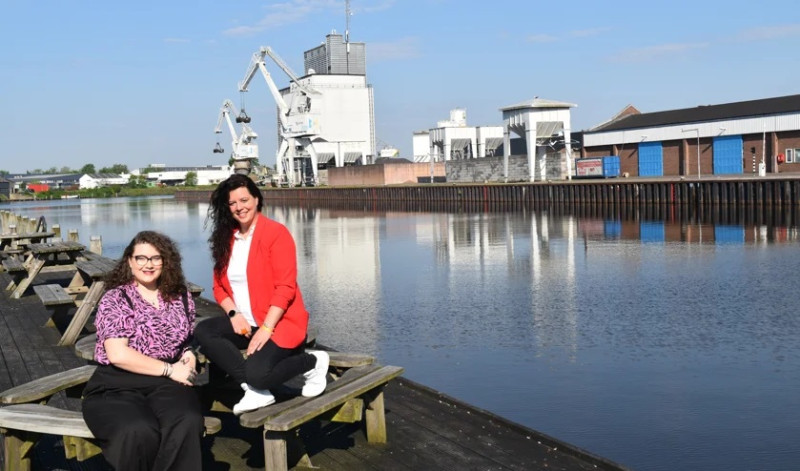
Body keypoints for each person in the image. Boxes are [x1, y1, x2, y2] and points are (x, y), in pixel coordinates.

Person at [195, 174, 328, 415]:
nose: (239, 207)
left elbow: (285, 288)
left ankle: (313, 362)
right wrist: (234, 314)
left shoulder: (276, 233)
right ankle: (253, 390)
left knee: (260, 373)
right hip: (246, 323)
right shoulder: (226, 239)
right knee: (204, 331)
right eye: (232, 203)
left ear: (256, 199)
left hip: (279, 323)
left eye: (244, 200)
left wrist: (266, 329)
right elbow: (219, 287)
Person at [81, 231, 202, 471]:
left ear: (166, 262)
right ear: (130, 261)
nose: (148, 264)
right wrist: (170, 370)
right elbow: (118, 355)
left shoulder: (181, 296)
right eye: (141, 258)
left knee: (188, 421)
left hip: (166, 383)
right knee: (137, 429)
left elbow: (183, 337)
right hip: (118, 383)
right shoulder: (116, 298)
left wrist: (188, 353)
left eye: (156, 258)